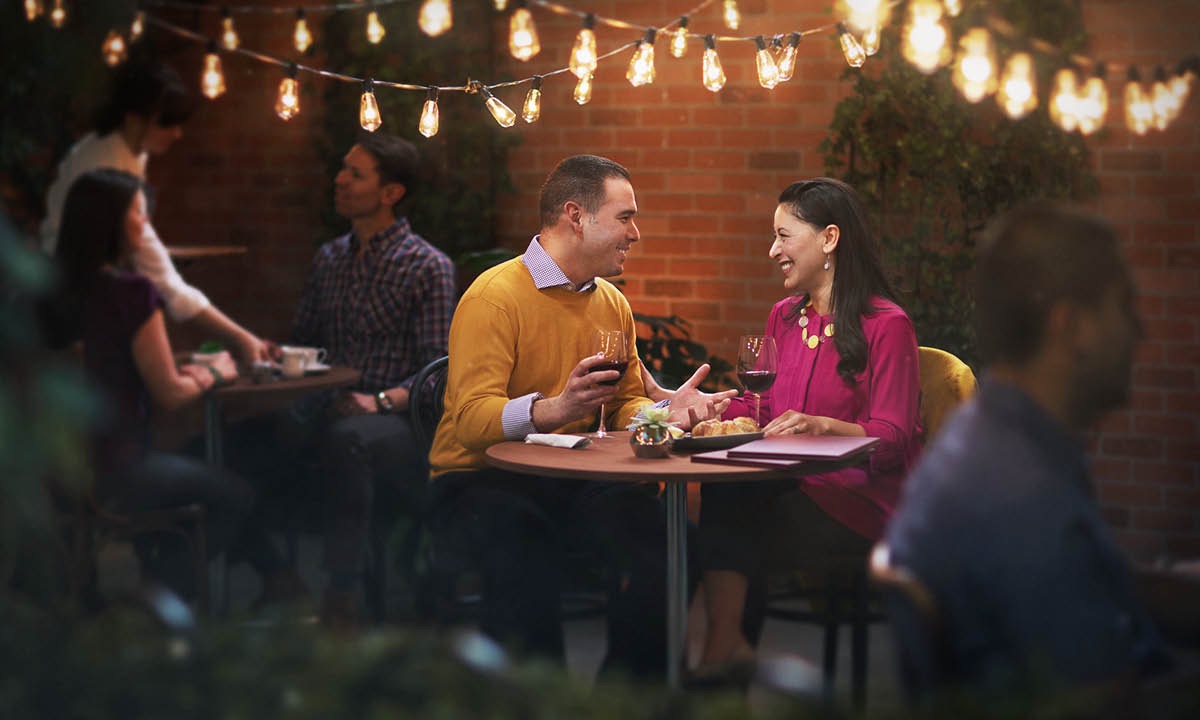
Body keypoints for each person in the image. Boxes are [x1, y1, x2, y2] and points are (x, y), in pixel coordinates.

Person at [426, 154, 734, 677]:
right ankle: (535, 702)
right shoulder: (494, 297)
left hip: (573, 476)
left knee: (670, 545)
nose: (635, 233)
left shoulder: (611, 302)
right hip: (479, 477)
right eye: (625, 217)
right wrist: (556, 409)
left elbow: (624, 402)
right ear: (576, 216)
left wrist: (664, 412)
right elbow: (471, 421)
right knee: (524, 546)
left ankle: (625, 695)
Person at [884, 201, 1176, 709]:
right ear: (1073, 325)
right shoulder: (1022, 493)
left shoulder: (991, 438)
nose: (1140, 331)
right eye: (1125, 308)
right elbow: (1106, 701)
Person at [693, 178, 922, 677]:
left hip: (859, 501)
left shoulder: (888, 325)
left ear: (829, 238)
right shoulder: (783, 317)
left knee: (729, 519)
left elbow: (892, 438)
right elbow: (764, 411)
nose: (773, 250)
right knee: (724, 499)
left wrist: (822, 425)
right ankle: (724, 652)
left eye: (784, 236)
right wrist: (707, 411)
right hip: (786, 486)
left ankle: (720, 657)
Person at [227, 132, 455, 627]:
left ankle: (341, 597)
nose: (340, 180)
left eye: (356, 173)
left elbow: (438, 372)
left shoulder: (427, 266)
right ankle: (276, 574)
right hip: (324, 404)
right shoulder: (329, 258)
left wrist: (379, 401)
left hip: (395, 420)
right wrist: (273, 358)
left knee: (348, 440)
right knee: (234, 440)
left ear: (391, 192)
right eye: (342, 169)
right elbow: (306, 343)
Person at [39, 168, 293, 603]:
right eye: (138, 213)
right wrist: (215, 373)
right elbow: (171, 394)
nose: (146, 224)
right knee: (235, 495)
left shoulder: (45, 291)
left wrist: (177, 367)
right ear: (111, 223)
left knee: (189, 477)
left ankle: (143, 593)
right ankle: (155, 595)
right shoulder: (130, 293)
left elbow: (100, 363)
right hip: (119, 469)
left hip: (57, 474)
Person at [39, 56, 273, 364]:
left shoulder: (129, 151)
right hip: (74, 306)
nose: (177, 133)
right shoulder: (102, 165)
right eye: (168, 122)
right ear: (134, 119)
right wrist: (242, 340)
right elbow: (164, 279)